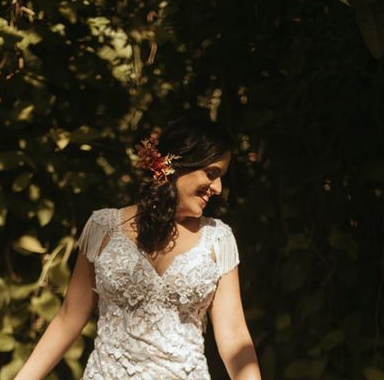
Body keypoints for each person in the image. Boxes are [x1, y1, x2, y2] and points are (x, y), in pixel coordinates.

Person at [15, 115, 261, 379]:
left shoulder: (218, 239)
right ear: (175, 165)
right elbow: (68, 318)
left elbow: (234, 334)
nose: (218, 188)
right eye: (211, 174)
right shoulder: (103, 227)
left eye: (221, 176)